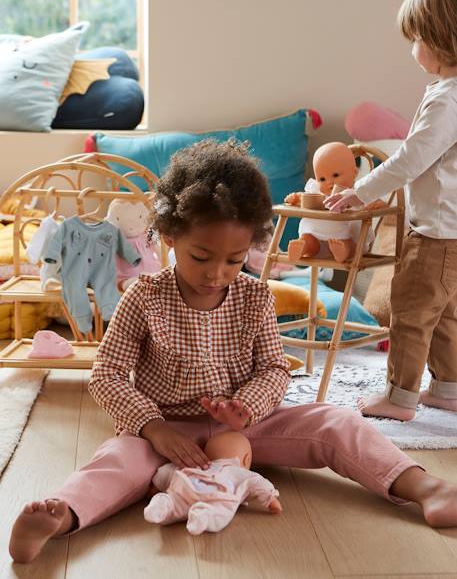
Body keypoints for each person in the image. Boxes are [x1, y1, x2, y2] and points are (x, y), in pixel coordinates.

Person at [8, 138, 457, 565]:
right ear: (168, 237)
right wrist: (154, 429)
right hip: (165, 431)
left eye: (234, 260)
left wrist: (247, 407)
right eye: (200, 257)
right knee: (117, 462)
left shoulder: (256, 297)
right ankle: (61, 516)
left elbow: (274, 369)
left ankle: (422, 487)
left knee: (335, 421)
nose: (216, 274)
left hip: (248, 427)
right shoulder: (143, 297)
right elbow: (106, 375)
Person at [325, 0, 457, 421]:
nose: (412, 47)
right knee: (445, 316)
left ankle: (400, 397)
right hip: (452, 233)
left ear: (441, 38)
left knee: (411, 312)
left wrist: (360, 192)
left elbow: (409, 159)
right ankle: (448, 388)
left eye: (416, 36)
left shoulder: (446, 100)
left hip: (435, 235)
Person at [144, 430, 281, 535]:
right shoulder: (240, 472)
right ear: (246, 459)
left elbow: (168, 471)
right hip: (216, 496)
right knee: (222, 510)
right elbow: (259, 484)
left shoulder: (196, 463)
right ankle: (204, 516)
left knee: (175, 502)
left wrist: (156, 486)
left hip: (186, 486)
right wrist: (271, 500)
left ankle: (163, 504)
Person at [285, 142, 375, 263]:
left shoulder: (357, 193)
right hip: (317, 237)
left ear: (354, 173)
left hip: (345, 237)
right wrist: (296, 198)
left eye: (335, 175)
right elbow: (307, 199)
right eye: (322, 179)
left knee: (352, 246)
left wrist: (373, 206)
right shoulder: (317, 192)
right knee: (308, 239)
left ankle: (343, 251)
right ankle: (303, 247)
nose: (329, 182)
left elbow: (376, 203)